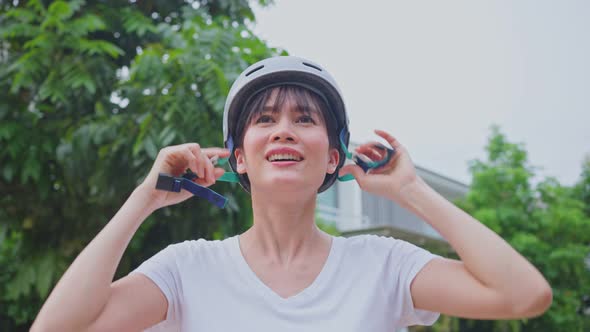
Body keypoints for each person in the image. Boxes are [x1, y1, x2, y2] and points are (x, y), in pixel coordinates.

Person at [32, 56, 552, 331]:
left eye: (305, 120)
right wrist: (145, 197)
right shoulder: (184, 270)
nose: (283, 130)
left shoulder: (385, 266)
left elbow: (524, 295)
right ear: (238, 158)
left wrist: (411, 190)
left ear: (333, 157)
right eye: (265, 120)